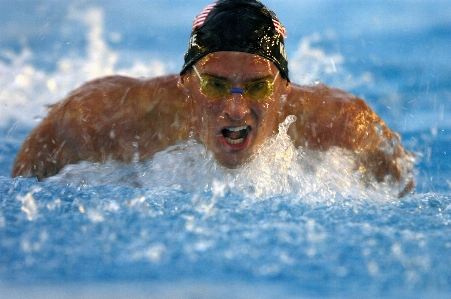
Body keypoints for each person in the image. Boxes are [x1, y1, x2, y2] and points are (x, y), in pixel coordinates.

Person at [11, 0, 415, 196]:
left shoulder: (343, 124)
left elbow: (400, 191)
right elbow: (19, 190)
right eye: (215, 85)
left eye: (257, 86)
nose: (235, 108)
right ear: (185, 83)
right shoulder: (101, 117)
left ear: (283, 89)